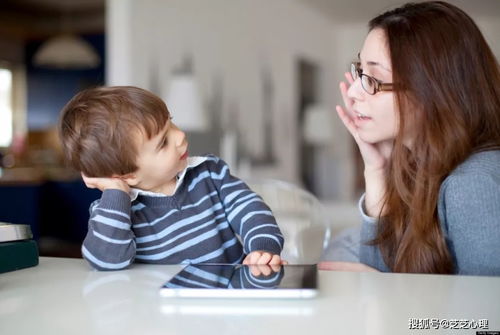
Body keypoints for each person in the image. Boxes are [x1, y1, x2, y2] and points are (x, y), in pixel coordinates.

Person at [321, 1, 500, 275]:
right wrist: (376, 169)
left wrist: (386, 288)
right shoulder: (419, 166)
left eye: (373, 79)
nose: (354, 92)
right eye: (360, 72)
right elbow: (380, 271)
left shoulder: (473, 184)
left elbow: (483, 318)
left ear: (432, 91)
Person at [58, 86, 284, 270]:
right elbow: (106, 260)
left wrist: (262, 247)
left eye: (171, 122)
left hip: (226, 301)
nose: (179, 135)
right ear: (128, 175)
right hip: (162, 318)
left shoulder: (210, 173)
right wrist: (116, 192)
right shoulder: (115, 212)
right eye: (163, 142)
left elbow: (249, 208)